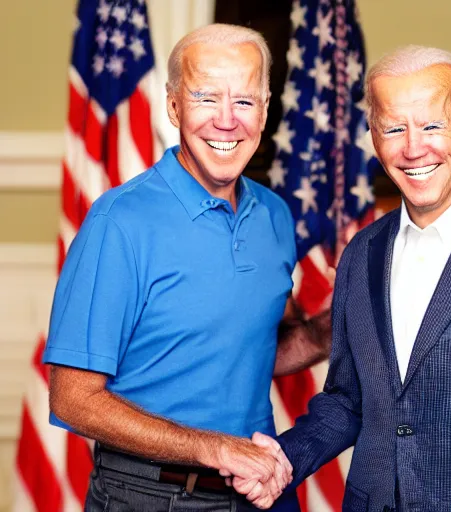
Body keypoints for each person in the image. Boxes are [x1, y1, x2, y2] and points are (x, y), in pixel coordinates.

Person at [44, 23, 332, 512]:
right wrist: (216, 448)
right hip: (151, 494)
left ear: (264, 110)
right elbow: (72, 398)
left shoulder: (275, 216)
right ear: (174, 105)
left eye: (244, 101)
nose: (226, 120)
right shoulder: (119, 221)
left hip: (263, 490)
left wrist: (342, 325)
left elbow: (259, 347)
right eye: (205, 98)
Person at [242, 45, 451, 511]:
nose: (413, 147)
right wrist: (280, 460)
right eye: (394, 128)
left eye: (432, 125)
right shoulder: (362, 254)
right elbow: (348, 400)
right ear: (373, 136)